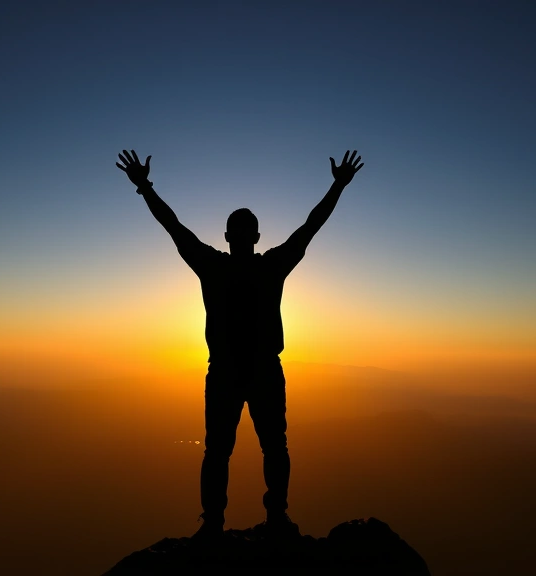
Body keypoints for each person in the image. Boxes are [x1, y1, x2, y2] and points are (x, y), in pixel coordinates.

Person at [115, 149, 364, 539]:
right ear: (255, 237)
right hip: (263, 370)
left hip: (226, 372)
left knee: (218, 451)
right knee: (273, 448)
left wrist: (145, 187)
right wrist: (337, 186)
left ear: (229, 236)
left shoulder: (213, 266)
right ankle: (275, 518)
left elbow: (173, 226)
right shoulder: (271, 267)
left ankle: (213, 524)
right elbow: (309, 227)